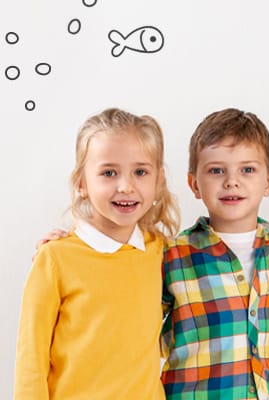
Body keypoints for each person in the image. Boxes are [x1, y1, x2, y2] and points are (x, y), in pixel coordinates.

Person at [14, 108, 180, 399]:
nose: (126, 186)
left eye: (140, 172)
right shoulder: (55, 259)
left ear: (158, 180)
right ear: (82, 183)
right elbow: (31, 359)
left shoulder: (161, 251)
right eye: (108, 173)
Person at [161, 108, 269, 399]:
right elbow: (126, 314)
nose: (231, 181)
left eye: (247, 169)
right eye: (216, 170)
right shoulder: (171, 255)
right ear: (194, 184)